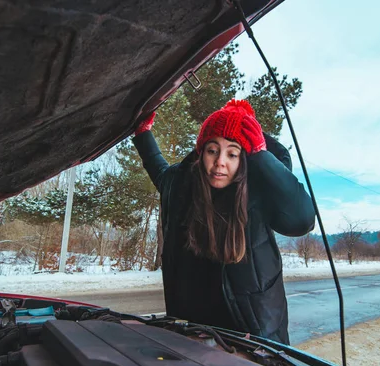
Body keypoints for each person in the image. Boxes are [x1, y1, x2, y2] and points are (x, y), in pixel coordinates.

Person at [133, 99, 315, 344]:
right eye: (212, 150)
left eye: (232, 153)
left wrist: (261, 154)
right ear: (201, 153)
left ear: (244, 159)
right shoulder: (183, 186)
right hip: (194, 332)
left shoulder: (260, 190)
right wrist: (143, 133)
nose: (220, 161)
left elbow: (301, 220)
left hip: (254, 333)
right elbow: (159, 170)